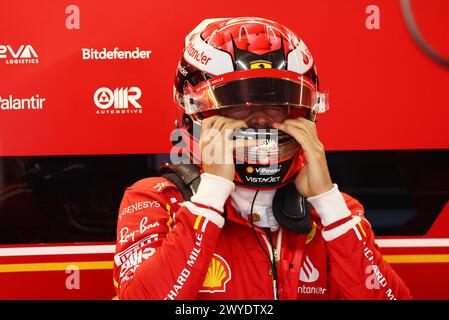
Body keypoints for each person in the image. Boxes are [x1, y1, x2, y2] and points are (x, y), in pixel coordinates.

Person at [113, 17, 412, 300]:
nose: (260, 119)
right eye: (238, 103)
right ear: (196, 108)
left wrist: (327, 201)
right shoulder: (157, 201)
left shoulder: (335, 212)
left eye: (277, 103)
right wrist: (211, 195)